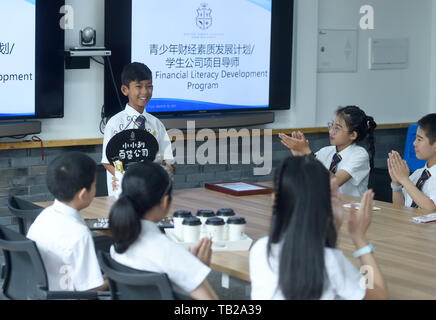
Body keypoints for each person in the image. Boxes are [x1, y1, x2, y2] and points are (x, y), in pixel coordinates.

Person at [249, 156, 388, 300]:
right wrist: (359, 239)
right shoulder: (330, 261)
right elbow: (378, 295)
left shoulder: (260, 249)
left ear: (274, 200)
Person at [108, 160, 218, 300]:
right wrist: (196, 272)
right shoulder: (168, 251)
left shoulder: (117, 245)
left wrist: (192, 268)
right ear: (165, 201)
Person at [27, 152, 107, 292]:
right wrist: (116, 278)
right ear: (83, 194)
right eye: (94, 185)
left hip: (47, 291)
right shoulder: (79, 234)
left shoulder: (44, 216)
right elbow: (92, 290)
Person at [101, 62, 174, 196]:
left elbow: (167, 159)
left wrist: (167, 171)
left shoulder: (156, 124)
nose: (145, 92)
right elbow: (107, 162)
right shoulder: (115, 123)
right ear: (125, 90)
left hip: (151, 193)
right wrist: (130, 181)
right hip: (123, 195)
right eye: (139, 87)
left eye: (149, 86)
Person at [279, 105, 377, 197]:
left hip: (351, 209)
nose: (331, 131)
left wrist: (307, 153)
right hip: (326, 206)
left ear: (352, 135)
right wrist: (299, 156)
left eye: (337, 128)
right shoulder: (326, 151)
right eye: (331, 125)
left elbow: (334, 182)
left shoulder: (359, 154)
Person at [388, 113, 436, 210]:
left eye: (419, 139)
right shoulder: (418, 174)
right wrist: (397, 183)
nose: (414, 143)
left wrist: (404, 180)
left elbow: (432, 209)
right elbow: (400, 207)